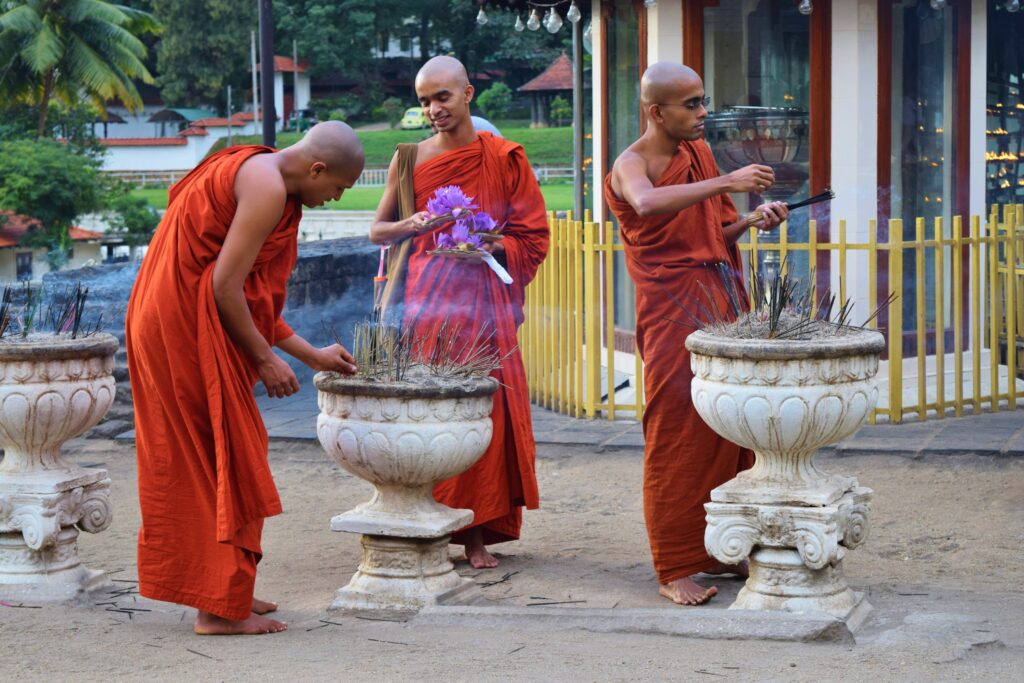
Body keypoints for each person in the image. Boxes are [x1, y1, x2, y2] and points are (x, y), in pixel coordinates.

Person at [126, 121, 364, 635]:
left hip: (174, 314)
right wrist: (264, 359)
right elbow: (224, 288)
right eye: (338, 189)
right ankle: (216, 609)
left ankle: (227, 585)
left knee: (225, 450)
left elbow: (250, 296)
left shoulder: (260, 171)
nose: (333, 199)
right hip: (181, 325)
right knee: (217, 454)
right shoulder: (267, 186)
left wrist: (311, 355)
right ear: (316, 168)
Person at [604, 62, 789, 606]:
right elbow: (645, 203)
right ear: (655, 111)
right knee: (679, 429)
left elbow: (713, 232)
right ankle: (675, 562)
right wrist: (731, 180)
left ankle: (717, 545)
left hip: (721, 298)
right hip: (670, 309)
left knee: (731, 425)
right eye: (691, 104)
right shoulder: (630, 163)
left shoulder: (698, 156)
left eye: (704, 100)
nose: (704, 113)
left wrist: (750, 222)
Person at [370, 56, 549, 569]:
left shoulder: (504, 156)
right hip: (429, 307)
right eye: (424, 100)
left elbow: (532, 235)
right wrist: (417, 223)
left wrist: (491, 243)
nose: (433, 109)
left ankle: (476, 533)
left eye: (442, 97)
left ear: (468, 94)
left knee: (484, 410)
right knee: (437, 410)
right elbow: (377, 232)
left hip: (486, 306)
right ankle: (430, 516)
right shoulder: (408, 158)